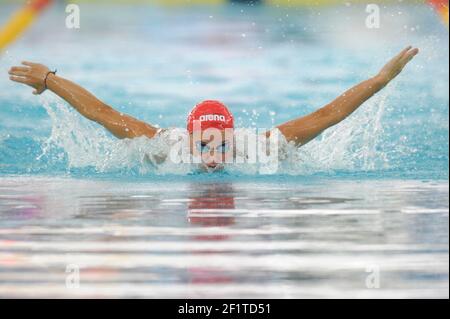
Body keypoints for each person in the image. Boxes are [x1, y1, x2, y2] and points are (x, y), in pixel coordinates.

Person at [8, 46, 419, 172]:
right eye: (204, 146)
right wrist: (50, 79)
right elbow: (100, 112)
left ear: (232, 137)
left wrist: (380, 80)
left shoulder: (261, 147)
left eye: (219, 145)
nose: (212, 156)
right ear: (189, 138)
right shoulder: (165, 146)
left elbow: (327, 116)